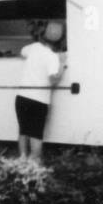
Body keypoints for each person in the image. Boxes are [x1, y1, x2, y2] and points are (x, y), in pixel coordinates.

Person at [16, 21, 66, 162]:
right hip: (39, 99)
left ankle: (22, 158)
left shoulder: (33, 47)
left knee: (23, 130)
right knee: (36, 133)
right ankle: (34, 163)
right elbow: (53, 79)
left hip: (22, 96)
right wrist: (62, 65)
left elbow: (22, 53)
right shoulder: (52, 57)